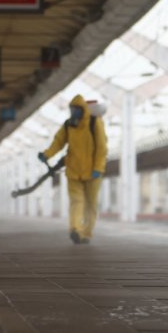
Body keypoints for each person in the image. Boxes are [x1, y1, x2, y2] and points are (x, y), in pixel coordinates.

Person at [37, 95, 107, 245]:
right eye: (71, 109)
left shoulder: (95, 123)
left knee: (90, 204)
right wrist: (46, 154)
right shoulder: (69, 125)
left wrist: (98, 167)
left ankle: (86, 233)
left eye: (76, 110)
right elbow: (58, 142)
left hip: (93, 173)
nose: (73, 113)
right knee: (76, 202)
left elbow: (102, 148)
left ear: (83, 110)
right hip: (73, 171)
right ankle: (75, 230)